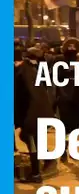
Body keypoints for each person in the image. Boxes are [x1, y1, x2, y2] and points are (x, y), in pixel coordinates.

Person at [15, 47, 58, 183]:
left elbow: (21, 95)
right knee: (29, 137)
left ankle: (35, 174)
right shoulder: (37, 69)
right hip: (42, 112)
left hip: (33, 113)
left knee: (30, 138)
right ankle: (48, 159)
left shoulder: (23, 71)